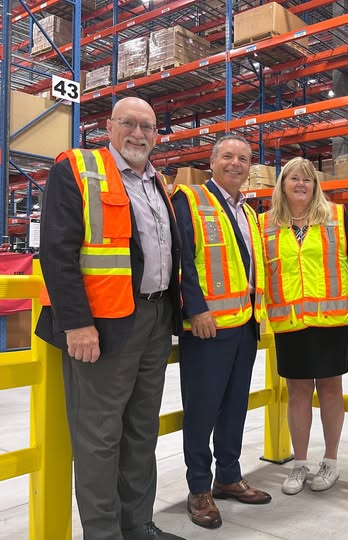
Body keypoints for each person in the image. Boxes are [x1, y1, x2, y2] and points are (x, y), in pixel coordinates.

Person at [35, 97, 185, 540]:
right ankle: (103, 534)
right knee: (99, 436)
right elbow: (57, 251)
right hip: (102, 325)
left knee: (141, 430)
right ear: (109, 126)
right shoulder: (78, 169)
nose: (139, 134)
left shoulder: (158, 183)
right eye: (129, 124)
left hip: (154, 318)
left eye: (148, 126)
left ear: (156, 135)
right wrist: (76, 323)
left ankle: (137, 525)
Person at [171, 134, 272, 529]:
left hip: (244, 323)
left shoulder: (247, 211)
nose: (236, 164)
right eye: (228, 156)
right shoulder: (191, 199)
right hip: (207, 327)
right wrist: (194, 308)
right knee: (202, 410)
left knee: (234, 407)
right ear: (212, 162)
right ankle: (199, 488)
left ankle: (228, 475)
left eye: (243, 159)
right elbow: (181, 257)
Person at [259, 157, 348, 496]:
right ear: (282, 185)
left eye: (307, 179)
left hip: (331, 322)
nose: (301, 184)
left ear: (315, 186)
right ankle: (299, 464)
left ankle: (330, 461)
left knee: (331, 389)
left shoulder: (335, 216)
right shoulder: (265, 224)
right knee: (297, 392)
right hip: (291, 322)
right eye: (294, 178)